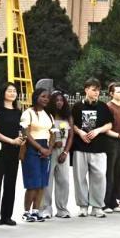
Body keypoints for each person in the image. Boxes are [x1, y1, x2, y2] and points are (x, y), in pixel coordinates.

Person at [71, 78, 111, 218]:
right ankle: (82, 206)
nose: (96, 93)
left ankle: (97, 206)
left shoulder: (103, 106)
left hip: (99, 147)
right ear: (86, 89)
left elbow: (109, 124)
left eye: (98, 90)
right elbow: (72, 124)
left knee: (99, 177)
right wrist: (80, 132)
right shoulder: (77, 106)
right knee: (79, 177)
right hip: (80, 147)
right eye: (94, 90)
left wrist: (98, 130)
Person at [0, 83, 24, 226]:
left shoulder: (18, 112)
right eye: (9, 91)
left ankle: (7, 215)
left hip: (14, 150)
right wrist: (11, 141)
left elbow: (20, 128)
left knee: (11, 183)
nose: (12, 93)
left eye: (14, 91)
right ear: (3, 93)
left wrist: (21, 138)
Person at [20, 88, 53, 222]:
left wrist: (49, 149)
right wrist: (40, 148)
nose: (46, 99)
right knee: (32, 183)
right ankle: (26, 212)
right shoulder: (28, 113)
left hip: (46, 148)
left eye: (47, 97)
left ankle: (36, 211)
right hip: (32, 148)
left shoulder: (48, 114)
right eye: (43, 96)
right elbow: (26, 133)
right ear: (36, 97)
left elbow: (53, 133)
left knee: (42, 183)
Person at [41, 91, 72, 219]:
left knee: (64, 180)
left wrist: (65, 152)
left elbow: (71, 136)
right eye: (56, 100)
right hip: (50, 150)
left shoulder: (67, 116)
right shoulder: (47, 116)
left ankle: (62, 209)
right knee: (47, 181)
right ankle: (46, 208)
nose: (59, 102)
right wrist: (52, 144)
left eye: (61, 100)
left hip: (63, 151)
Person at [104, 83, 120, 212]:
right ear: (111, 94)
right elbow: (106, 129)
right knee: (110, 173)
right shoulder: (109, 107)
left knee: (118, 173)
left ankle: (113, 202)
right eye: (118, 92)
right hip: (111, 143)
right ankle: (106, 203)